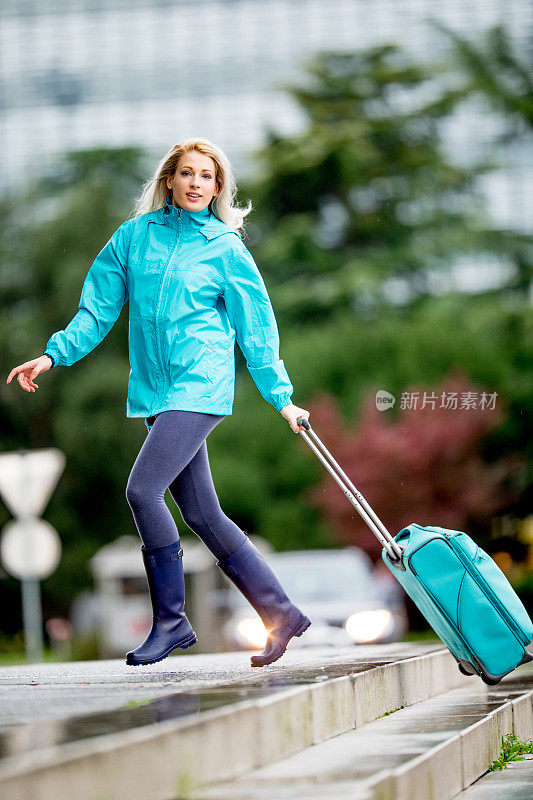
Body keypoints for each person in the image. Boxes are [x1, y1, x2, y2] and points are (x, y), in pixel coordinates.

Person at [6, 137, 312, 667]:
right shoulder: (132, 239)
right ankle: (280, 612)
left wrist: (282, 399)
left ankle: (171, 621)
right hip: (155, 390)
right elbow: (96, 309)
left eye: (207, 177)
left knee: (144, 490)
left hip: (201, 384)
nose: (196, 183)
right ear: (169, 180)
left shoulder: (225, 247)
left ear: (218, 188)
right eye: (187, 173)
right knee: (202, 512)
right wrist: (54, 355)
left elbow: (256, 328)